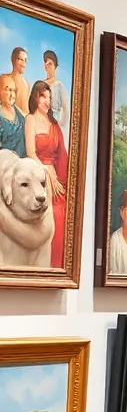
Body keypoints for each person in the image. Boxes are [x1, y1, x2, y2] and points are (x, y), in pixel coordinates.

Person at [25, 80, 65, 267]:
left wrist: (57, 177)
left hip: (56, 178)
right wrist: (46, 171)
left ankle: (57, 268)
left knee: (62, 211)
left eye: (49, 97)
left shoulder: (54, 124)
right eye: (43, 96)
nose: (47, 101)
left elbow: (62, 155)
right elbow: (30, 152)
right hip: (37, 175)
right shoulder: (30, 119)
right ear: (35, 97)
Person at [41, 50, 65, 138]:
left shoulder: (59, 85)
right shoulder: (40, 84)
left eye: (50, 63)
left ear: (55, 66)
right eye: (45, 62)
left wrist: (60, 126)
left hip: (55, 127)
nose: (47, 65)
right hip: (41, 127)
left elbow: (65, 109)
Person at [0, 74, 24, 157]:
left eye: (14, 91)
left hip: (22, 161)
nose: (12, 95)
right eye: (8, 90)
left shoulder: (20, 114)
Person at [2, 47, 28, 113]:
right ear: (14, 60)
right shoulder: (5, 79)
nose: (24, 64)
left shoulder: (26, 84)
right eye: (21, 60)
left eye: (25, 60)